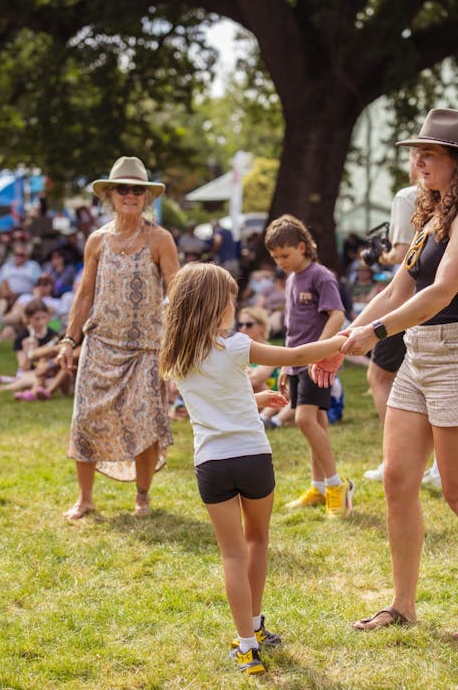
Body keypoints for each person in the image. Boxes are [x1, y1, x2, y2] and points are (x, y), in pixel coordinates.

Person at [315, 108, 458, 639]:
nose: (418, 160)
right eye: (416, 152)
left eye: (429, 153)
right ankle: (402, 605)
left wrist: (374, 333)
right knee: (396, 479)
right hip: (420, 355)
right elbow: (396, 290)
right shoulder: (431, 218)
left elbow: (440, 293)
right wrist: (343, 342)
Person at [159, 263, 348, 675]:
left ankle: (247, 645)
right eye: (230, 299)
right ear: (216, 306)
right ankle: (257, 627)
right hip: (253, 458)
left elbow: (217, 396)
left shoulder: (176, 356)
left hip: (211, 464)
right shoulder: (238, 346)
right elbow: (296, 356)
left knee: (231, 554)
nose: (234, 306)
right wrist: (339, 341)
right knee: (256, 541)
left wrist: (257, 397)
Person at [58, 156, 180, 520]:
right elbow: (84, 293)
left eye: (137, 190)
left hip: (146, 348)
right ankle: (85, 498)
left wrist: (179, 338)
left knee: (145, 423)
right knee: (85, 420)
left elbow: (175, 290)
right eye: (123, 189)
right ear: (110, 195)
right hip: (100, 345)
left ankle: (142, 496)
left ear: (146, 197)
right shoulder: (97, 240)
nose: (130, 195)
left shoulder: (160, 239)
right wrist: (68, 339)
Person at [263, 214, 352, 517]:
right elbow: (291, 330)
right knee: (318, 425)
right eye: (275, 257)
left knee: (303, 420)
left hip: (317, 365)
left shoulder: (320, 275)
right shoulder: (290, 280)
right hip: (297, 365)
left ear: (302, 247)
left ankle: (338, 485)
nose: (280, 262)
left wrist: (320, 352)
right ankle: (320, 486)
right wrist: (287, 368)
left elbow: (337, 315)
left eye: (285, 255)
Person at [364, 159, 441, 487]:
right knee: (432, 383)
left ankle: (395, 458)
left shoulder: (407, 196)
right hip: (436, 303)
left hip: (412, 300)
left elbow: (400, 255)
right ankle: (436, 466)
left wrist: (377, 257)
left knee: (379, 376)